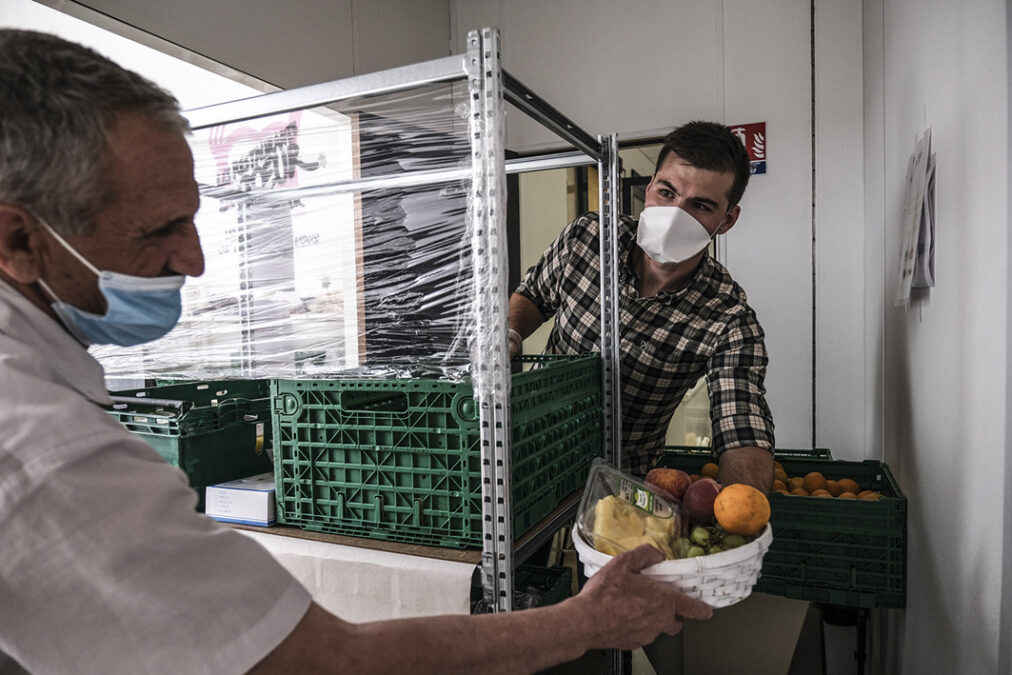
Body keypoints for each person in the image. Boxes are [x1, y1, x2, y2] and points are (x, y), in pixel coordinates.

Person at [0, 29, 713, 674]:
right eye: (159, 229)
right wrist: (578, 624)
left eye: (193, 216)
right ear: (19, 241)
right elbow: (323, 662)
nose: (194, 259)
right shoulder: (40, 450)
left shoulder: (727, 313)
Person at [509, 121, 775, 492]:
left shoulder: (727, 319)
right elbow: (534, 295)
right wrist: (511, 331)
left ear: (727, 219)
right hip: (531, 448)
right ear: (650, 187)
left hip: (622, 485)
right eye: (667, 192)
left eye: (700, 205)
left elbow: (742, 427)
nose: (674, 214)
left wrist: (740, 518)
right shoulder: (587, 239)